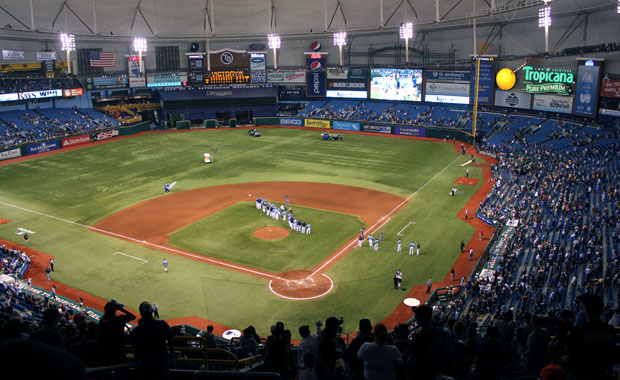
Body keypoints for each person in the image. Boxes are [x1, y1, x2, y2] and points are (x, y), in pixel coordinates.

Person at [130, 301, 173, 380]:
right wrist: (171, 353)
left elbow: (135, 348)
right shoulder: (162, 324)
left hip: (145, 364)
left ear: (141, 314)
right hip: (161, 362)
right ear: (152, 312)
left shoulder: (136, 331)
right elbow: (171, 339)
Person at [97, 300, 136, 366]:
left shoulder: (102, 321)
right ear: (115, 310)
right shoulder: (120, 319)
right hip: (119, 348)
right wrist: (120, 309)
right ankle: (130, 361)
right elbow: (133, 316)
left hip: (106, 349)